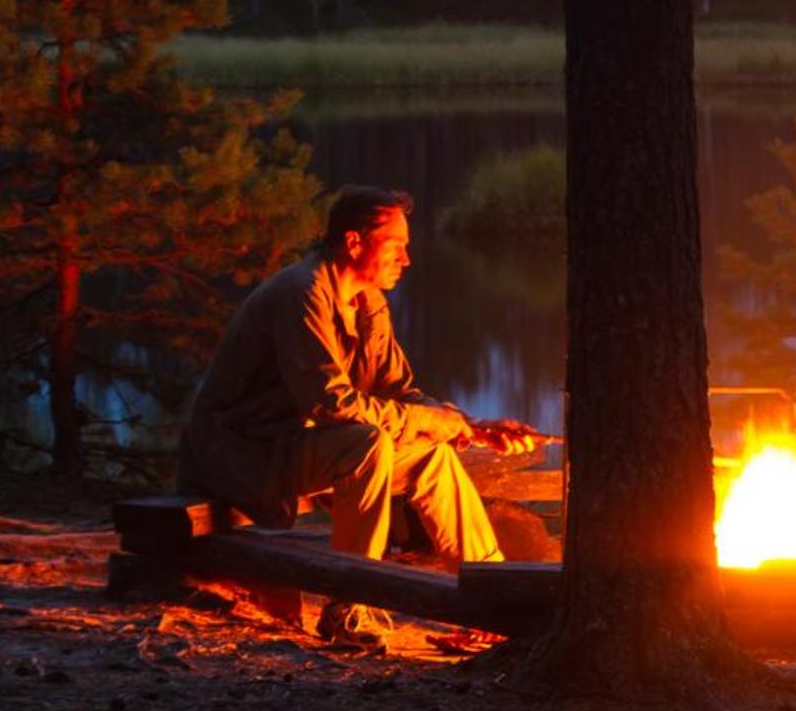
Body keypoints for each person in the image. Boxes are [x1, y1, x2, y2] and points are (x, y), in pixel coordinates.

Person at [179, 186, 535, 640]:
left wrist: (468, 425)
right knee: (365, 444)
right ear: (353, 242)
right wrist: (429, 422)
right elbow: (330, 403)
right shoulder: (302, 293)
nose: (406, 260)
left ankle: (495, 600)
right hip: (244, 454)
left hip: (301, 447)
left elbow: (399, 393)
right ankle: (349, 607)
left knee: (433, 456)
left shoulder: (369, 302)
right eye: (396, 247)